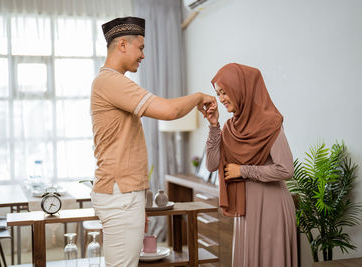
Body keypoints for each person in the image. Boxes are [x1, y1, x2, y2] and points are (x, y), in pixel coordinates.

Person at [89, 16, 216, 267]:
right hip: (120, 193)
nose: (143, 56)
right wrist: (199, 96)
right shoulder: (111, 81)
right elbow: (169, 111)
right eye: (141, 48)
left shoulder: (110, 82)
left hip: (123, 193)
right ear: (123, 45)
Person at [205, 63, 298, 267]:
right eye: (218, 94)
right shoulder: (230, 128)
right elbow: (212, 165)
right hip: (246, 207)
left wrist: (243, 170)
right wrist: (213, 126)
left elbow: (286, 169)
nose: (221, 99)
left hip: (271, 206)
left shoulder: (270, 123)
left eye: (225, 92)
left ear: (240, 89)